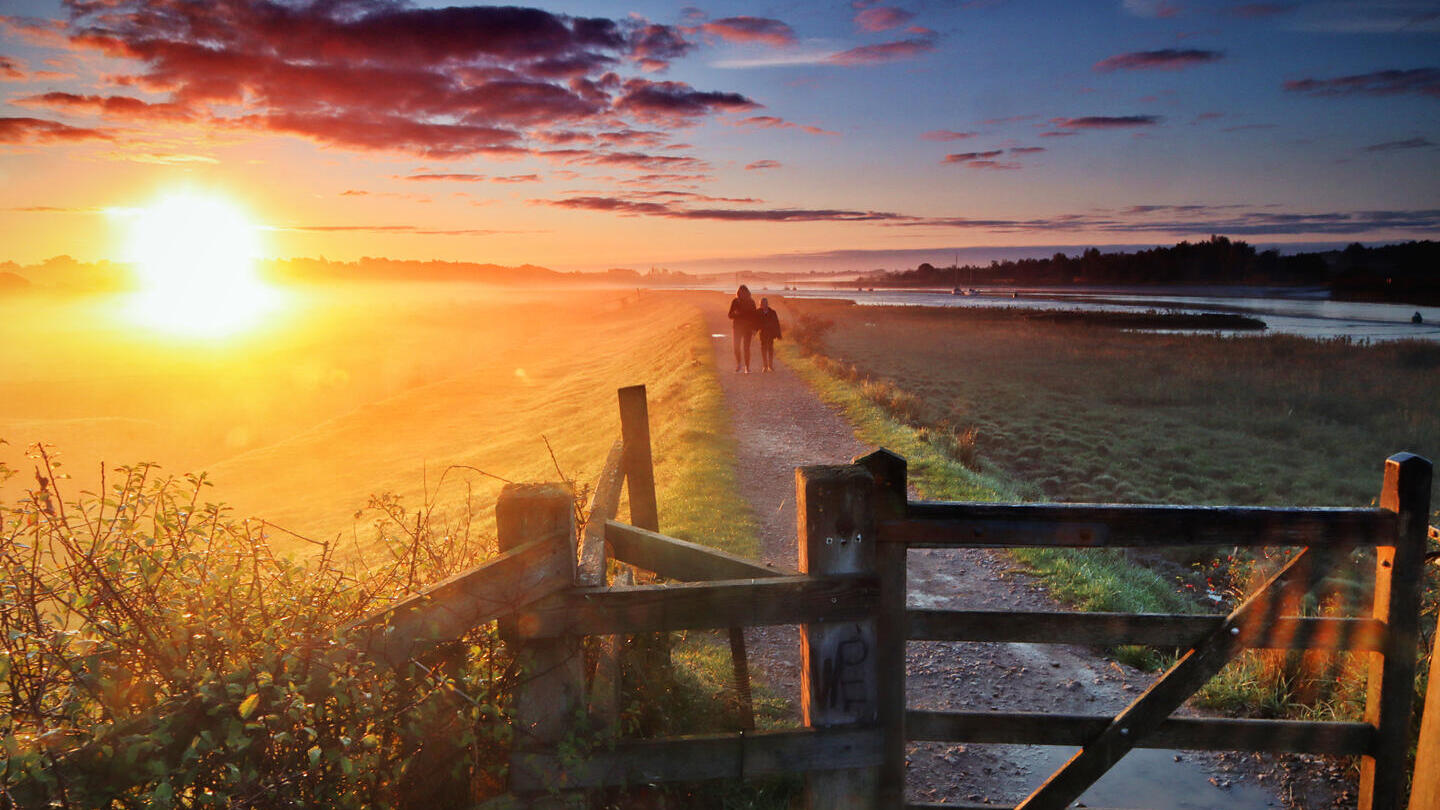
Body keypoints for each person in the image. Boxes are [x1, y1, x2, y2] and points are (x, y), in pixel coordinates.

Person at [727, 285, 757, 373]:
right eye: (740, 293)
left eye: (743, 293)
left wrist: (754, 328)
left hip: (747, 328)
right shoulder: (735, 301)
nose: (742, 294)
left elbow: (755, 316)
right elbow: (729, 315)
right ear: (739, 293)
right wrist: (736, 314)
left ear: (747, 293)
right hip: (737, 328)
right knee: (736, 347)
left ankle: (747, 367)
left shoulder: (751, 302)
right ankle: (739, 364)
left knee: (746, 348)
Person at [756, 297, 782, 372]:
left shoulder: (773, 312)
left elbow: (776, 323)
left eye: (765, 303)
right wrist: (754, 330)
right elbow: (755, 323)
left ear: (767, 304)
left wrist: (778, 334)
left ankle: (770, 365)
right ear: (760, 304)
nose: (764, 305)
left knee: (770, 349)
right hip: (763, 333)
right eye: (762, 304)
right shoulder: (758, 312)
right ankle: (765, 366)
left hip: (771, 333)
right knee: (763, 349)